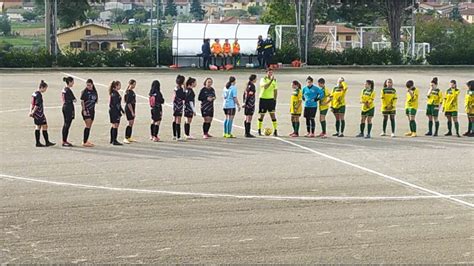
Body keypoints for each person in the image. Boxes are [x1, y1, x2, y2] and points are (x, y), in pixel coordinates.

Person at [30, 80, 55, 147]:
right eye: (45, 88)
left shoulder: (34, 93)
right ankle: (41, 142)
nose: (45, 90)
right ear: (42, 87)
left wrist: (31, 111)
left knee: (41, 126)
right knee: (41, 126)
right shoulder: (39, 95)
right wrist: (33, 112)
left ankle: (43, 142)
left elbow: (32, 103)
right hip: (39, 114)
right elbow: (37, 105)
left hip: (37, 114)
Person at [257, 69, 278, 136]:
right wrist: (271, 81)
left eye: (271, 72)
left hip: (271, 100)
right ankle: (259, 130)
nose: (270, 74)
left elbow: (275, 90)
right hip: (263, 99)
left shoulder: (274, 81)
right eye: (269, 72)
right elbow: (265, 87)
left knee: (273, 115)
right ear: (266, 73)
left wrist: (275, 100)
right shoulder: (263, 80)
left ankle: (275, 130)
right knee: (261, 115)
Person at [80, 79, 98, 147]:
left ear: (92, 84)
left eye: (89, 85)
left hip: (92, 110)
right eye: (87, 85)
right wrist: (84, 110)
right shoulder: (85, 92)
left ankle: (86, 140)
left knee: (89, 126)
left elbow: (95, 101)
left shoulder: (94, 91)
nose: (88, 86)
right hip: (86, 110)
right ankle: (84, 141)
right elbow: (82, 101)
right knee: (87, 125)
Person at [61, 76, 76, 147]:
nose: (73, 83)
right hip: (68, 108)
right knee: (67, 125)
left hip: (64, 106)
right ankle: (64, 141)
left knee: (65, 124)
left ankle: (64, 140)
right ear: (69, 82)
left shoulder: (64, 89)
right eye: (72, 82)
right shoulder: (68, 90)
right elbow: (74, 99)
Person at [108, 80, 124, 145]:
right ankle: (114, 140)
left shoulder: (114, 93)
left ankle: (112, 139)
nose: (120, 86)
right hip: (114, 111)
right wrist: (119, 111)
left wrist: (121, 110)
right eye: (119, 85)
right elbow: (116, 104)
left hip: (113, 110)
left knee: (114, 125)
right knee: (115, 125)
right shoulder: (115, 94)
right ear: (116, 86)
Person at [172, 75, 186, 141]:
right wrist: (185, 90)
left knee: (175, 119)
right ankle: (178, 136)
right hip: (179, 106)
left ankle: (174, 135)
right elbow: (183, 97)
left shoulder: (176, 88)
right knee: (178, 120)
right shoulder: (180, 89)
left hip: (175, 105)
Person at [123, 79, 137, 144]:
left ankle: (129, 137)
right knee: (130, 123)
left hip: (132, 108)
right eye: (133, 84)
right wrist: (132, 112)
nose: (134, 86)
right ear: (130, 84)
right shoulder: (128, 92)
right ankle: (126, 137)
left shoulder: (132, 92)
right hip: (129, 109)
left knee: (131, 123)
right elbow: (128, 103)